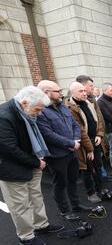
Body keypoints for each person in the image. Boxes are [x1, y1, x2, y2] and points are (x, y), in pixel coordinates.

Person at [0, 86, 64, 245]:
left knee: (36, 197)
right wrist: (36, 162)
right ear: (24, 103)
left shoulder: (26, 112)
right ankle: (26, 236)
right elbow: (8, 148)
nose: (40, 113)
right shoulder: (4, 116)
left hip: (33, 162)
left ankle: (41, 225)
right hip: (12, 169)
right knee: (20, 204)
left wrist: (37, 160)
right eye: (38, 109)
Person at [37, 80, 92, 221]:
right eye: (58, 91)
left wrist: (76, 141)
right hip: (57, 155)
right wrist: (69, 143)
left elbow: (75, 125)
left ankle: (75, 205)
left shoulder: (62, 106)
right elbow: (47, 134)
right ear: (46, 93)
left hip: (71, 151)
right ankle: (65, 211)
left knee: (73, 180)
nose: (61, 93)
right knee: (60, 184)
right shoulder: (40, 110)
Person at [67, 82, 103, 203]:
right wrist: (89, 148)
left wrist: (99, 134)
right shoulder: (70, 107)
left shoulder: (89, 103)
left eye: (84, 90)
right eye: (80, 91)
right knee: (86, 169)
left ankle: (100, 188)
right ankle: (91, 193)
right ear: (72, 93)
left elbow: (98, 120)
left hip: (95, 140)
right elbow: (80, 130)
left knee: (98, 165)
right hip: (83, 145)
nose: (84, 93)